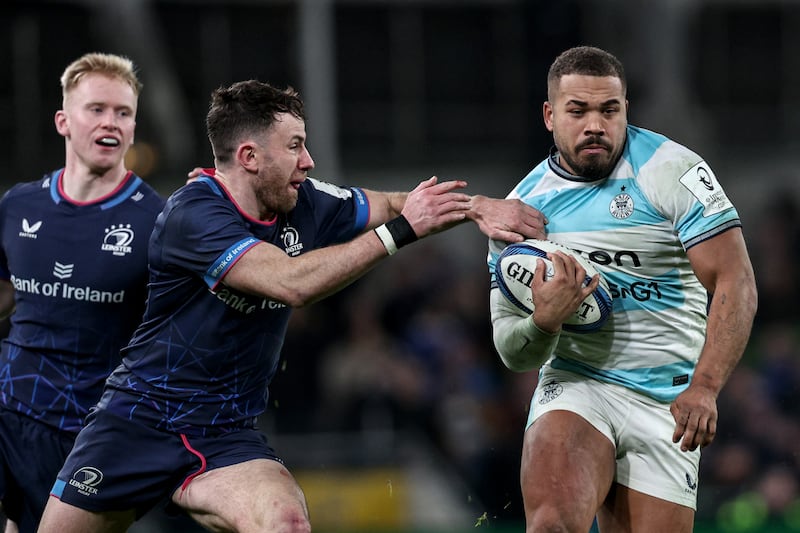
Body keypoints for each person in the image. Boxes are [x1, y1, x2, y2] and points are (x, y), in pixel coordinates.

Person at [36, 78, 547, 533]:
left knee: (286, 520)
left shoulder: (304, 199)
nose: (309, 161)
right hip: (134, 422)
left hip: (222, 436)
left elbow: (396, 204)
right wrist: (402, 233)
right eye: (296, 146)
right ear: (250, 157)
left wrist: (477, 206)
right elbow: (289, 283)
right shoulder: (191, 215)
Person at [487, 46, 757, 532]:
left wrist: (706, 386)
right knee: (551, 525)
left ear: (625, 109)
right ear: (550, 116)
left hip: (669, 401)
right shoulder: (521, 212)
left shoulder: (673, 171)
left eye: (609, 110)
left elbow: (736, 281)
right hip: (577, 381)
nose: (595, 124)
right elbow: (512, 353)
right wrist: (543, 320)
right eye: (578, 110)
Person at [0, 53, 165, 533]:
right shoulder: (17, 205)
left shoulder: (157, 220)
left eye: (123, 113)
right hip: (12, 408)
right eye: (96, 109)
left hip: (93, 436)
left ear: (134, 127)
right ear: (64, 121)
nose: (110, 122)